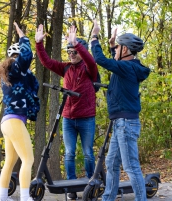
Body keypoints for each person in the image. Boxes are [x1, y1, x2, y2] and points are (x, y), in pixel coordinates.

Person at [35, 24, 98, 200]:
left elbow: (91, 61)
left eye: (74, 52)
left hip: (86, 118)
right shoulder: (65, 68)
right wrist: (39, 43)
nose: (71, 55)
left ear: (82, 51)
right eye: (69, 52)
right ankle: (71, 187)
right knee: (69, 153)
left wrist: (77, 44)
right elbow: (47, 62)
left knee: (87, 153)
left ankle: (91, 184)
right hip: (68, 118)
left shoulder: (89, 69)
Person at [90, 19, 150, 201]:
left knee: (131, 165)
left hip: (125, 124)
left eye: (117, 48)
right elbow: (115, 62)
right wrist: (111, 46)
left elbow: (100, 59)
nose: (115, 49)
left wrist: (94, 35)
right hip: (121, 123)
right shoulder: (128, 67)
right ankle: (108, 197)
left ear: (124, 50)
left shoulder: (126, 67)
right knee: (111, 162)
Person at [0, 22, 40, 201]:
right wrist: (24, 37)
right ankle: (24, 197)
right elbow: (27, 55)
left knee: (10, 162)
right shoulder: (16, 68)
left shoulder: (10, 74)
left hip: (9, 121)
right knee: (28, 159)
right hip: (14, 121)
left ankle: (3, 198)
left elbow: (32, 87)